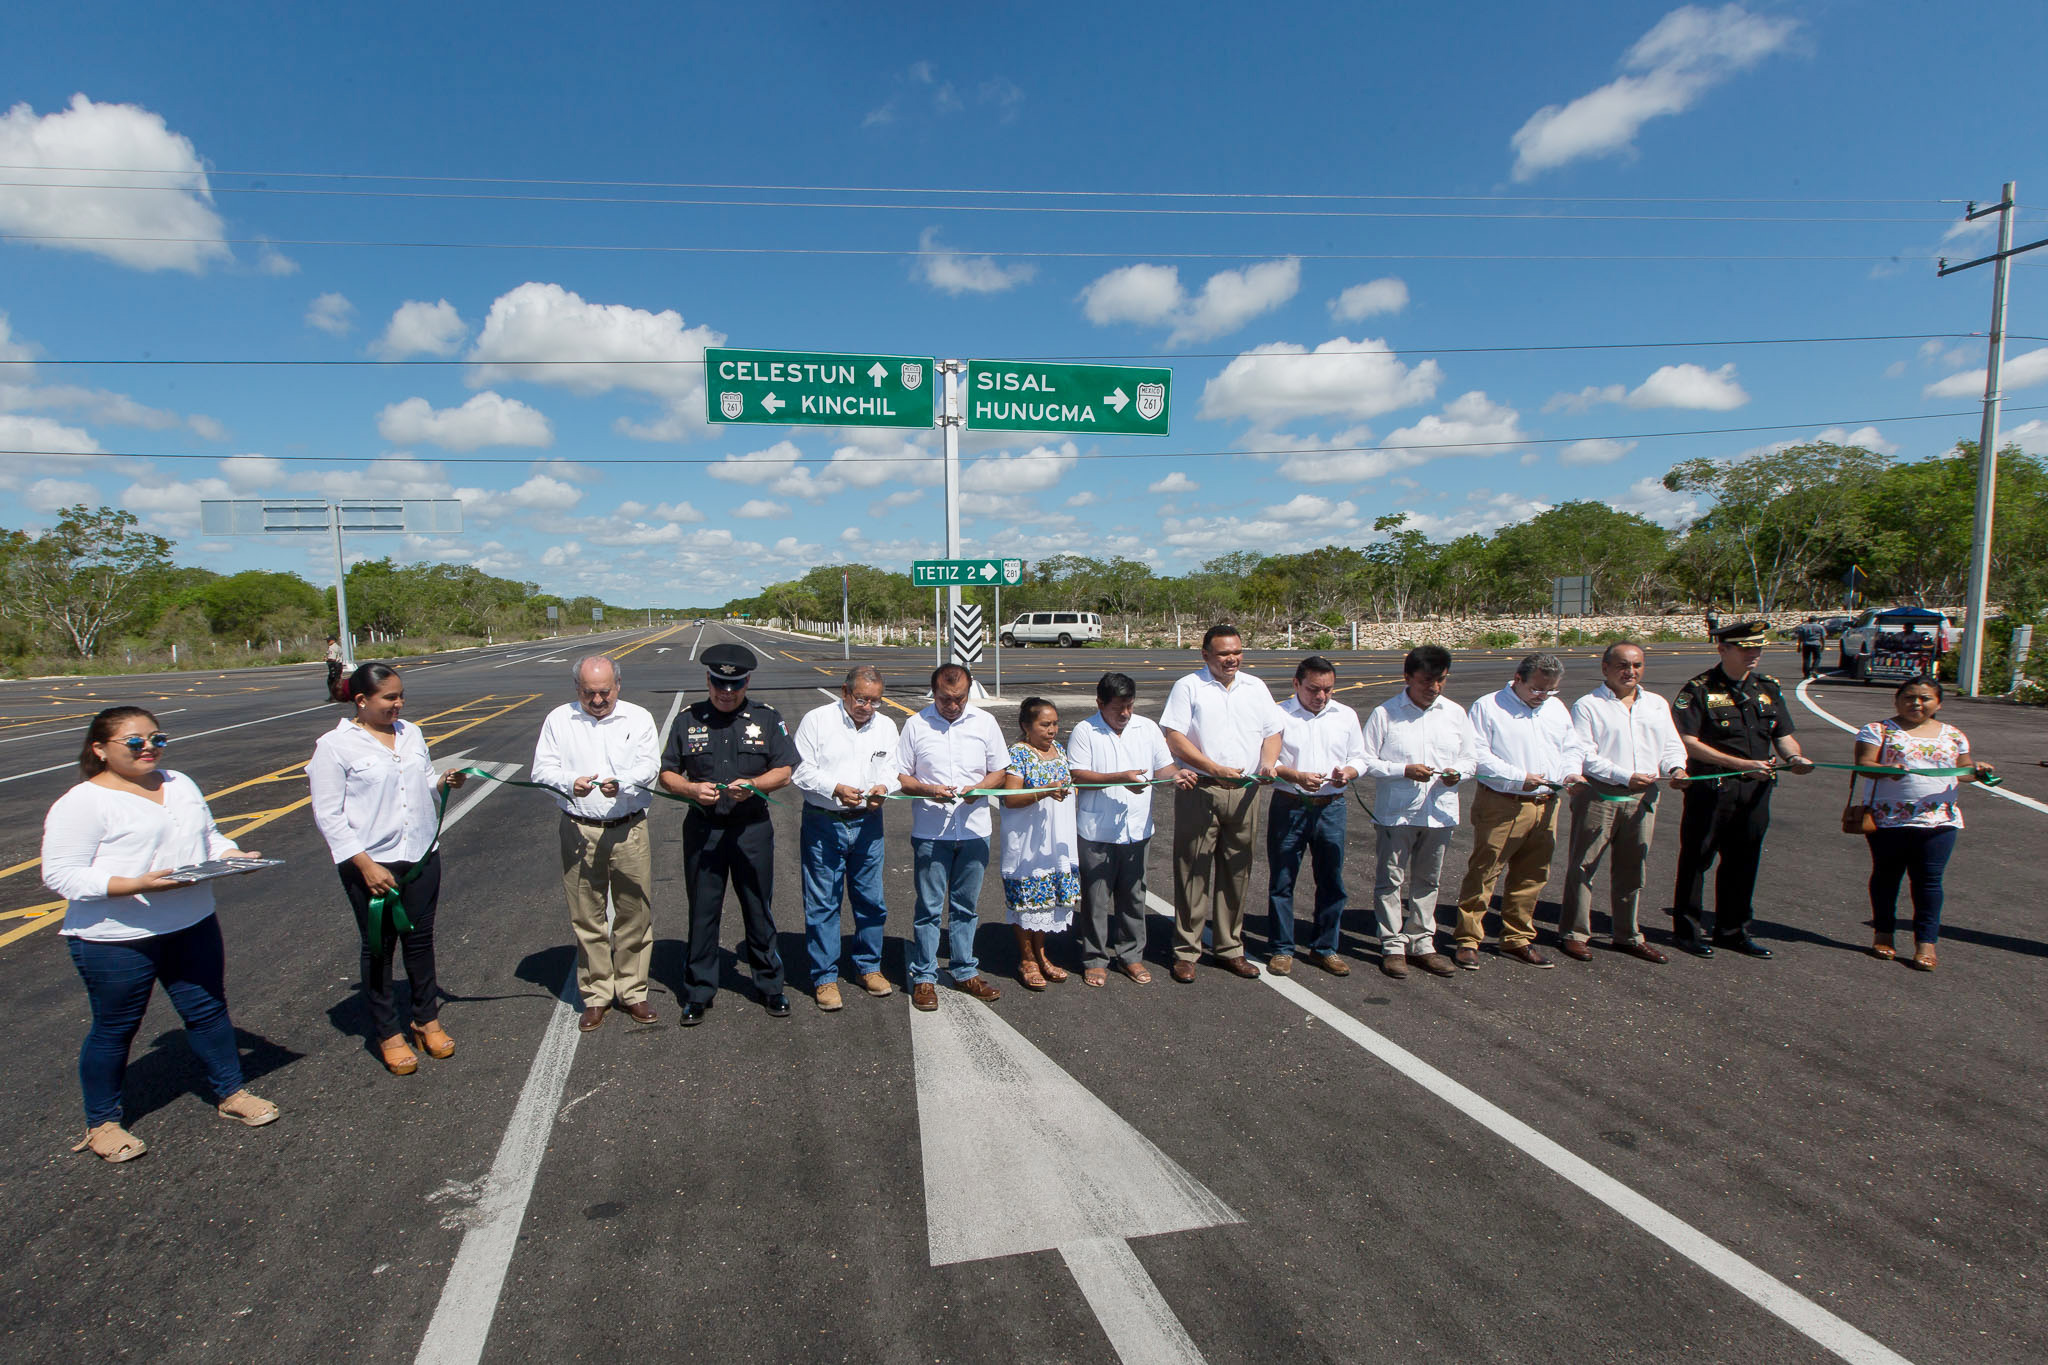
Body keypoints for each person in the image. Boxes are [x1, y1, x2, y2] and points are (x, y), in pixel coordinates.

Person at [42, 707, 279, 1162]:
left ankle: (231, 1094)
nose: (148, 747)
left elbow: (208, 837)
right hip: (116, 938)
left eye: (156, 738)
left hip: (191, 923)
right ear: (100, 749)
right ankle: (103, 1124)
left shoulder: (179, 783)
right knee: (115, 1029)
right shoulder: (83, 802)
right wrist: (138, 884)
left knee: (209, 1011)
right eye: (134, 742)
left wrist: (232, 855)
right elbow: (61, 876)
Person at [309, 662, 469, 1075]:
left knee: (420, 944)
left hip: (419, 855)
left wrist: (443, 781)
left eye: (401, 696)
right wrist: (363, 864)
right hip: (372, 865)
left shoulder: (410, 733)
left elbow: (421, 780)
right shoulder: (334, 746)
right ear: (361, 701)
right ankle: (388, 1033)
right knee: (379, 950)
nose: (398, 704)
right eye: (389, 698)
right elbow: (328, 814)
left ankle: (426, 1019)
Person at [659, 643, 798, 1025]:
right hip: (704, 830)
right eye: (719, 683)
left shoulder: (767, 718)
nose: (726, 691)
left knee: (759, 908)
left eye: (734, 684)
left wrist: (753, 784)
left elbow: (785, 769)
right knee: (703, 912)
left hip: (751, 829)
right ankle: (698, 992)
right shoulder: (689, 719)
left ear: (746, 681)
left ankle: (770, 985)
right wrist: (689, 790)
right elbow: (667, 771)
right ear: (708, 679)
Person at [1669, 620, 1816, 958]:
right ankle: (1687, 931)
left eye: (1758, 648)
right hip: (1714, 789)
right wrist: (1740, 765)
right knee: (1697, 859)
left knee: (1743, 861)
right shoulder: (1699, 689)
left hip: (1756, 790)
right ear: (1723, 649)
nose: (1754, 654)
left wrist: (1794, 756)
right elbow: (1688, 742)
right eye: (1746, 648)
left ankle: (1732, 931)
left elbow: (1782, 733)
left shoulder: (1767, 687)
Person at [531, 655, 661, 1031]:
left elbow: (648, 765)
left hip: (628, 827)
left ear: (618, 685)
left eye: (605, 692)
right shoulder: (559, 719)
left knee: (634, 912)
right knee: (587, 915)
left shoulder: (637, 718)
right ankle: (596, 994)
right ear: (578, 690)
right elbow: (542, 769)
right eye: (590, 693)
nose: (599, 700)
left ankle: (633, 991)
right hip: (578, 828)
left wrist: (622, 781)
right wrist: (570, 781)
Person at [1160, 624, 1283, 983]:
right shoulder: (1189, 687)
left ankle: (1230, 948)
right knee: (1192, 871)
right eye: (1224, 653)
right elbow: (1174, 737)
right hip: (1202, 789)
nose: (1232, 659)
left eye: (1237, 652)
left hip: (1245, 792)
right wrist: (1213, 768)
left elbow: (1272, 731)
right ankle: (1187, 951)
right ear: (1206, 655)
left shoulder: (1255, 687)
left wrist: (1268, 763)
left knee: (1236, 872)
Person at [1452, 653, 1588, 969]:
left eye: (1550, 690)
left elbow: (1571, 746)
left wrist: (1570, 772)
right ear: (1518, 679)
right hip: (1503, 802)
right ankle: (1468, 939)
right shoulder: (1489, 707)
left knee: (1532, 874)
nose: (1543, 696)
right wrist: (1518, 776)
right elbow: (1477, 755)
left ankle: (1517, 937)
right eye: (1537, 689)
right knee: (1485, 870)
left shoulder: (1555, 708)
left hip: (1545, 803)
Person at [1851, 677, 1993, 971]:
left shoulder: (1953, 734)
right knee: (1887, 877)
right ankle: (1883, 934)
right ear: (1897, 700)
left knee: (1929, 882)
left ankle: (1926, 943)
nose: (1916, 703)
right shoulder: (1877, 730)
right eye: (1909, 697)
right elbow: (1864, 766)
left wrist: (1977, 771)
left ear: (1938, 703)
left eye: (1925, 698)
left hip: (1939, 820)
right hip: (1889, 819)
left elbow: (1963, 771)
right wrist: (1885, 768)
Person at [1561, 643, 1688, 964]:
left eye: (1637, 665)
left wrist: (1677, 768)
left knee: (1633, 868)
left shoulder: (1656, 704)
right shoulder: (1588, 705)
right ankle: (1575, 933)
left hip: (1642, 796)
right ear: (1605, 668)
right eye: (1622, 665)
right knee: (1584, 866)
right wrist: (1625, 775)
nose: (1630, 672)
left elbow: (1672, 745)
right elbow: (1584, 755)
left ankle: (1627, 934)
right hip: (1600, 795)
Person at [894, 664, 1008, 1011]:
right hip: (931, 831)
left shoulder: (984, 723)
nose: (953, 705)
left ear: (969, 692)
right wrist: (928, 789)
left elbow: (999, 770)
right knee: (928, 907)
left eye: (959, 699)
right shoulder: (916, 725)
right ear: (933, 692)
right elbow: (901, 775)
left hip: (974, 830)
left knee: (966, 907)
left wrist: (980, 788)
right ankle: (925, 976)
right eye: (945, 699)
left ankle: (963, 970)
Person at [1358, 646, 1476, 980]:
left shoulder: (1454, 714)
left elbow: (1470, 759)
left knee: (1428, 880)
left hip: (1438, 812)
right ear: (1408, 677)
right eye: (1426, 680)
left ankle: (1423, 941)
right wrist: (1403, 769)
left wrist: (1458, 773)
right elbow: (1367, 761)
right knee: (1390, 880)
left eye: (1440, 680)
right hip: (1397, 814)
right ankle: (1393, 944)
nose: (1434, 687)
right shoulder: (1386, 713)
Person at [1067, 673, 1192, 987]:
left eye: (1129, 706)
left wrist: (1177, 775)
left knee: (1134, 896)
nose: (1125, 714)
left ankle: (1130, 956)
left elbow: (1163, 766)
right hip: (1096, 831)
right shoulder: (1085, 730)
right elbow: (1078, 775)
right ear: (1100, 704)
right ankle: (1095, 958)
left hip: (1137, 829)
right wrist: (1119, 778)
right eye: (1118, 708)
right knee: (1096, 898)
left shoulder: (1146, 728)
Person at [791, 664, 899, 1012]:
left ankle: (869, 966)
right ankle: (824, 977)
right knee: (823, 901)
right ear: (844, 692)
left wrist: (885, 787)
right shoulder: (817, 721)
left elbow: (893, 769)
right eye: (861, 699)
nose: (867, 707)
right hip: (824, 822)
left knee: (870, 899)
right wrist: (834, 788)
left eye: (875, 701)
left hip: (868, 822)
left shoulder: (885, 726)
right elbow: (800, 769)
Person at [1264, 655, 1369, 977]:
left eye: (1328, 690)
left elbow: (1360, 757)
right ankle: (1282, 948)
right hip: (1289, 804)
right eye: (1313, 689)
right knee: (1283, 880)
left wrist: (1348, 772)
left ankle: (1325, 947)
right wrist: (1295, 776)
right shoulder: (1279, 715)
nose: (1321, 696)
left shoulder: (1345, 716)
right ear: (1296, 684)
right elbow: (1267, 763)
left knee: (1331, 881)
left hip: (1331, 806)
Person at [999, 698, 1080, 990]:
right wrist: (1044, 792)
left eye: (1055, 723)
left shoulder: (1059, 750)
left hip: (1056, 840)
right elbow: (1011, 798)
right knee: (1026, 902)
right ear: (1026, 725)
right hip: (1027, 843)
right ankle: (1027, 958)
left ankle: (1041, 953)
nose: (1052, 730)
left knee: (1046, 904)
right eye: (1045, 724)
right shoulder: (1018, 753)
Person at [325, 636, 346, 701]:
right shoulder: (338, 647)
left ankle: (333, 696)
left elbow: (332, 658)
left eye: (329, 640)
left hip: (334, 665)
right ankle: (341, 695)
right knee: (338, 680)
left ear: (333, 640)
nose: (327, 642)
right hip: (339, 665)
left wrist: (326, 659)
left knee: (331, 681)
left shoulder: (332, 647)